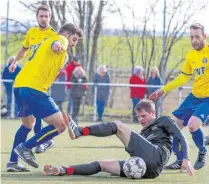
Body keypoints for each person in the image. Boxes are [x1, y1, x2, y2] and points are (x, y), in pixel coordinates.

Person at [43, 99, 194, 178]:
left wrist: (185, 158)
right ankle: (64, 170)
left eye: (144, 116)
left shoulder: (164, 120)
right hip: (147, 171)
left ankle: (79, 131)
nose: (141, 119)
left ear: (153, 113)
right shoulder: (143, 134)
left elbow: (181, 138)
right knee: (101, 164)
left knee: (119, 125)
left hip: (157, 156)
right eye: (138, 116)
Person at [149, 23, 209, 170]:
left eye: (197, 37)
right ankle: (180, 160)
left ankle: (203, 151)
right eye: (191, 37)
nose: (194, 40)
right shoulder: (191, 55)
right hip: (194, 97)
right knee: (175, 126)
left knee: (193, 125)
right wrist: (164, 89)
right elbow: (184, 77)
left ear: (204, 36)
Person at [6, 23, 83, 172]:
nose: (74, 43)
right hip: (33, 88)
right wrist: (58, 45)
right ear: (68, 34)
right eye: (74, 39)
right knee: (60, 125)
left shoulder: (45, 42)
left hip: (20, 85)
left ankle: (12, 163)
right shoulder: (61, 40)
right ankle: (26, 147)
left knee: (27, 125)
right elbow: (58, 43)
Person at [7, 5, 58, 158]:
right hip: (27, 80)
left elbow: (59, 50)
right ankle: (40, 143)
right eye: (41, 16)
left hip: (39, 80)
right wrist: (15, 61)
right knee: (31, 121)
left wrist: (58, 46)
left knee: (30, 122)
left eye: (46, 16)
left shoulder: (53, 35)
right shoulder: (32, 32)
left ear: (50, 17)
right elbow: (23, 49)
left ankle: (14, 160)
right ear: (37, 17)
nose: (44, 18)